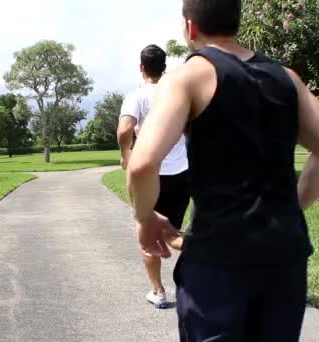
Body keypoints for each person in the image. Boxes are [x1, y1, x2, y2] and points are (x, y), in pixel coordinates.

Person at [125, 0, 319, 340]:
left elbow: (141, 164)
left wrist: (145, 219)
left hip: (218, 259)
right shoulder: (286, 78)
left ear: (191, 27)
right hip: (284, 256)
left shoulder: (187, 78)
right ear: (235, 22)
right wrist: (292, 206)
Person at [117, 44, 190, 309]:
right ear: (164, 67)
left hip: (151, 175)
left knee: (148, 235)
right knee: (171, 232)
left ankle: (158, 292)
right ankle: (205, 257)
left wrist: (126, 154)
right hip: (182, 174)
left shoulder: (137, 96)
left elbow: (124, 129)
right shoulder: (178, 94)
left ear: (141, 67)